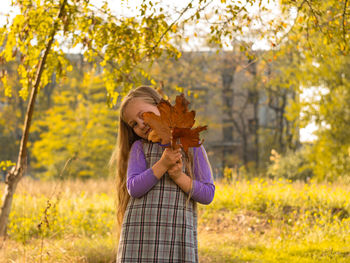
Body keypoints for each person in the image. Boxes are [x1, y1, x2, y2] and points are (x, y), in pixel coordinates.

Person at [109, 86, 215, 262]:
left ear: (160, 107)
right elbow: (134, 188)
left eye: (143, 115)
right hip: (140, 235)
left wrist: (179, 177)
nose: (141, 124)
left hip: (176, 233)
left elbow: (207, 194)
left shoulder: (191, 144)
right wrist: (163, 164)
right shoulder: (139, 148)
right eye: (134, 123)